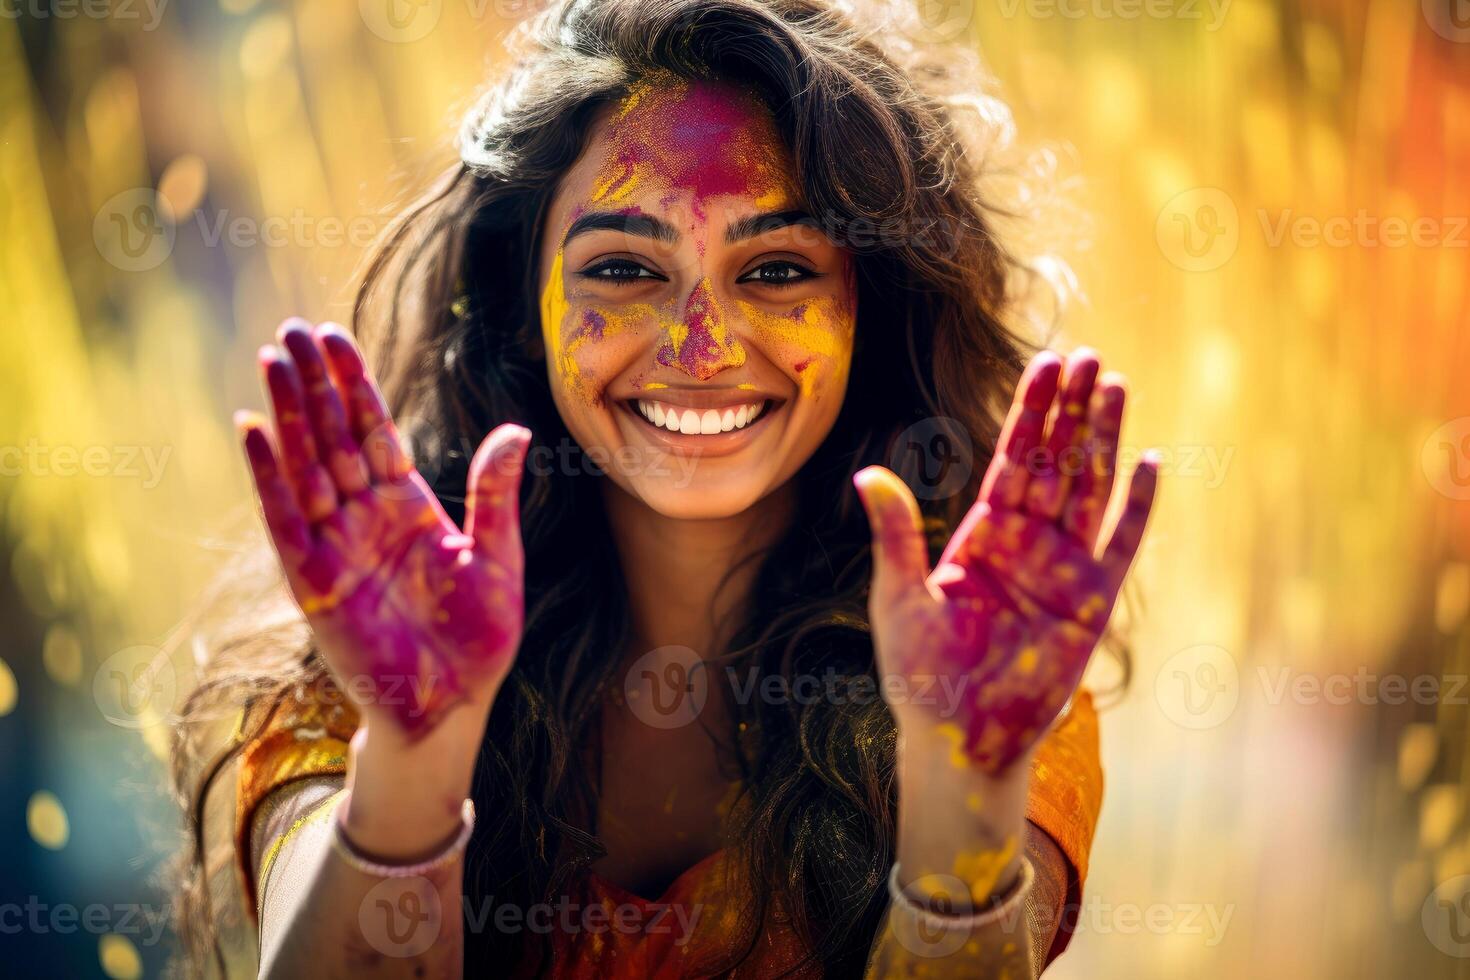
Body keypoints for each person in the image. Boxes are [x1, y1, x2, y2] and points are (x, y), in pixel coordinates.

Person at [172, 1, 1159, 976]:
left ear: (872, 308)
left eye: (775, 268)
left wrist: (962, 804)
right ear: (523, 308)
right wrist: (412, 756)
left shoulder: (989, 665)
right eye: (623, 268)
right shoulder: (368, 649)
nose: (700, 347)